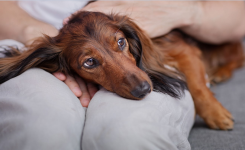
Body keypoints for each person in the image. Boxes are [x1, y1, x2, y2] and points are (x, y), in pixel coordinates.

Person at [0, 1, 244, 150]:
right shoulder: (45, 51)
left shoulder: (135, 40)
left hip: (149, 53)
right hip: (34, 46)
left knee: (128, 134)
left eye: (119, 43)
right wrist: (32, 31)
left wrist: (183, 10)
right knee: (38, 129)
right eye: (91, 62)